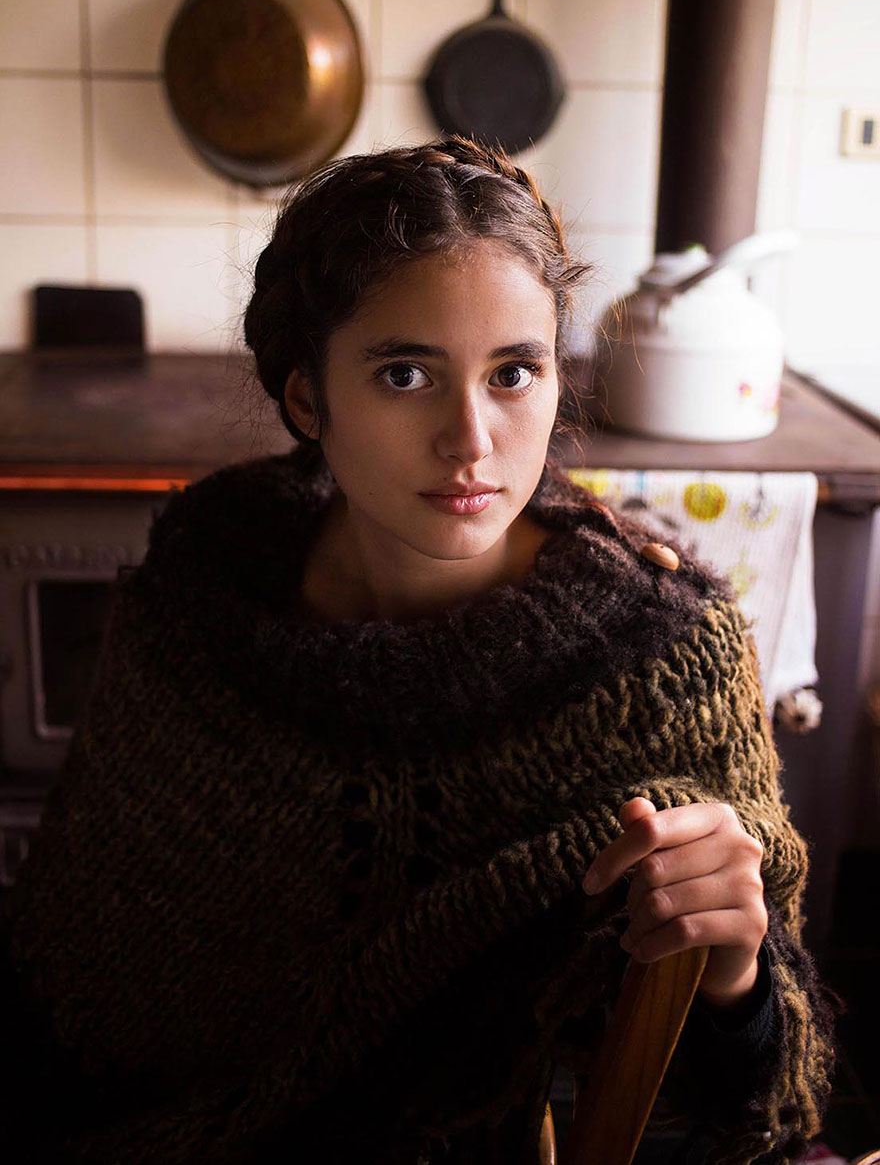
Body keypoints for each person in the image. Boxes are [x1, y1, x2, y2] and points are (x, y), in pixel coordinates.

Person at [0, 136, 838, 1165]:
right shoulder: (205, 594)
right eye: (405, 373)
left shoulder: (659, 661)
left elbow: (757, 1107)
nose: (472, 440)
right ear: (309, 396)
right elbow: (75, 971)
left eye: (513, 373)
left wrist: (730, 974)